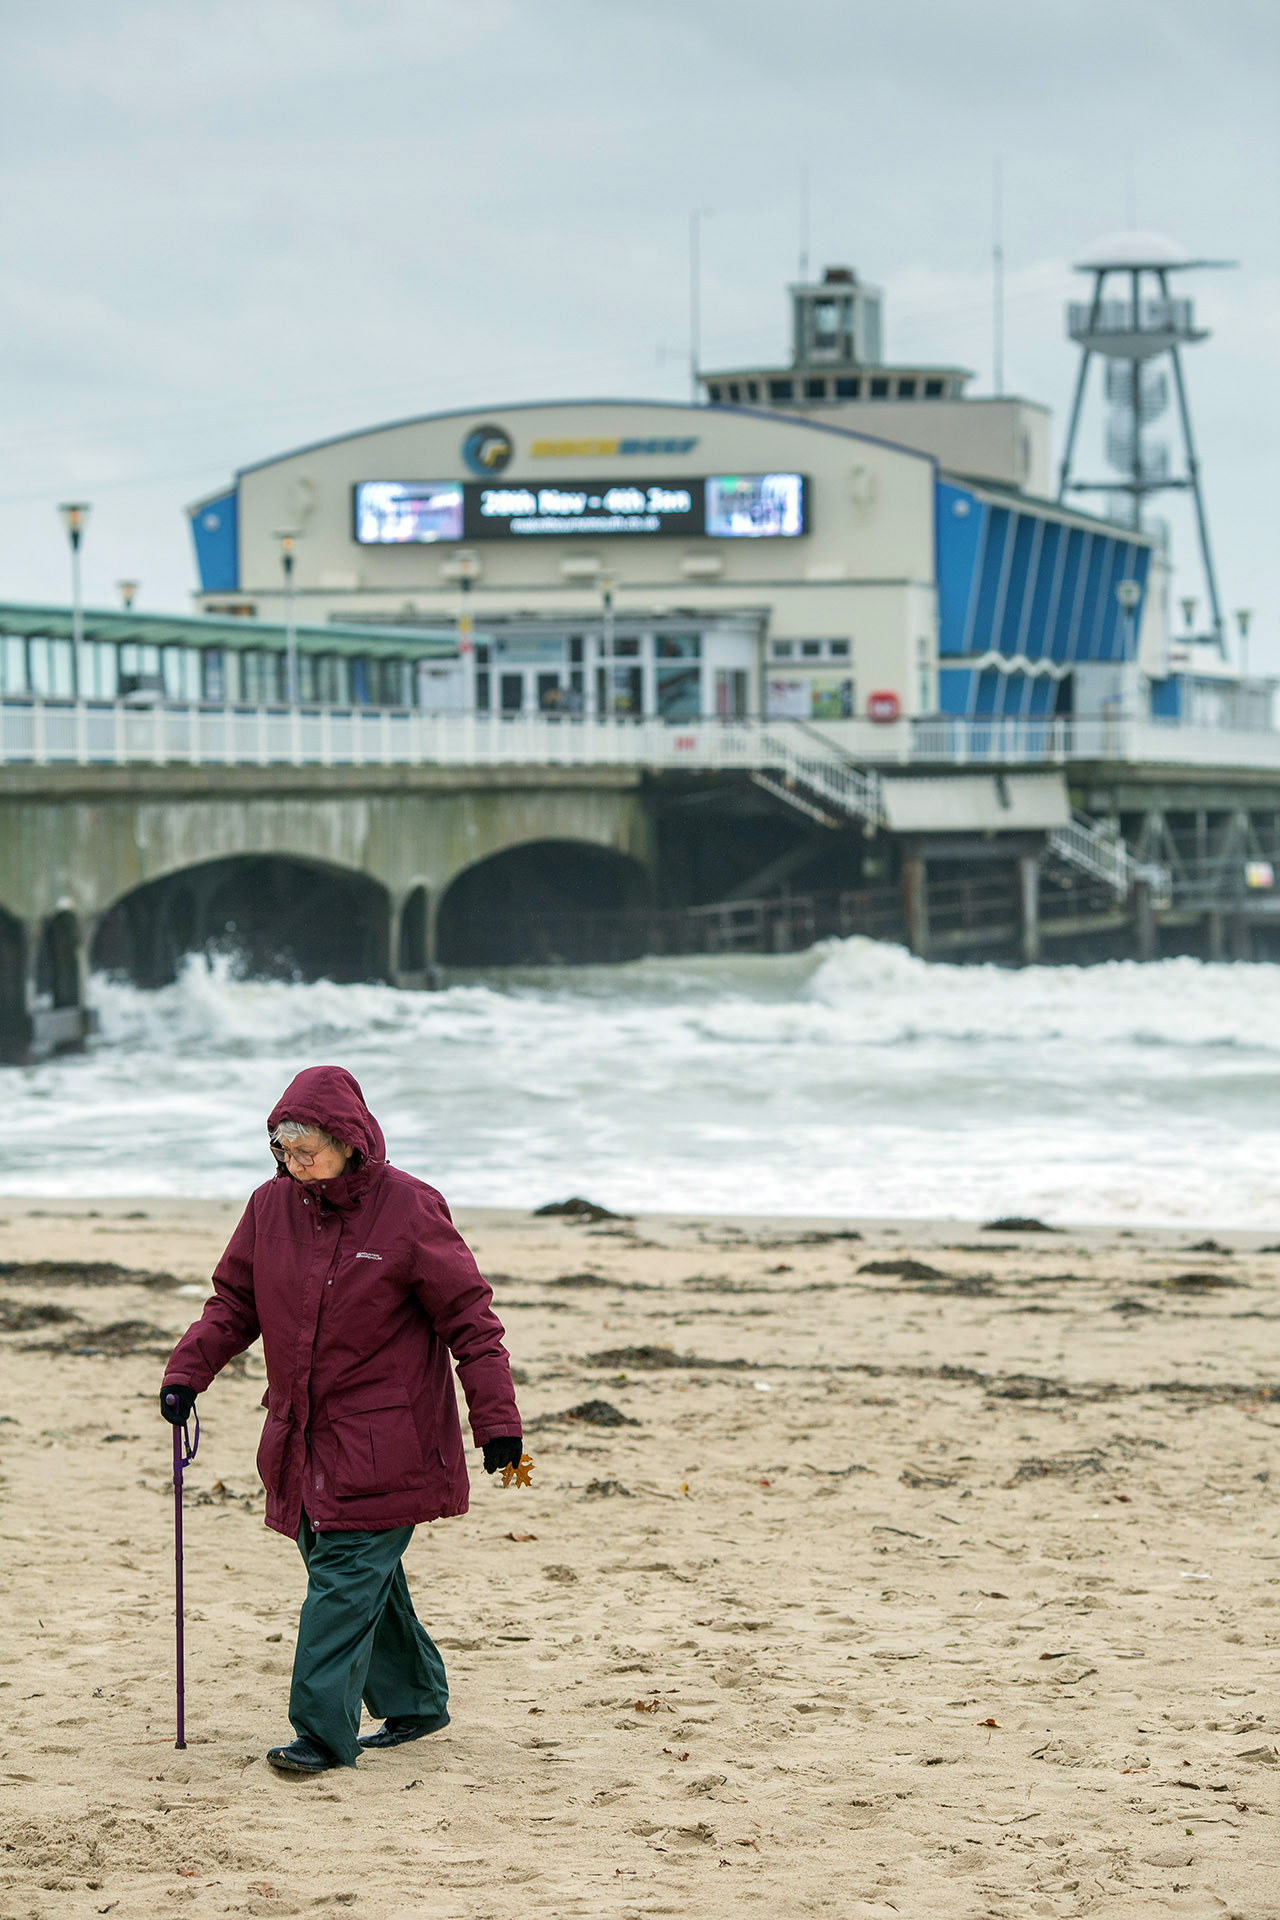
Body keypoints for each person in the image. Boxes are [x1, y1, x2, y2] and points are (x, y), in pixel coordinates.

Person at [158, 1064, 523, 1775]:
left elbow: (472, 1323)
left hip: (390, 1441)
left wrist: (498, 1426)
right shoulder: (269, 1209)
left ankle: (323, 1736)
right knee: (356, 1578)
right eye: (282, 1152)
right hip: (299, 1438)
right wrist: (186, 1372)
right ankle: (416, 1698)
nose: (294, 1167)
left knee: (343, 1580)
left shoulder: (411, 1208)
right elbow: (234, 1304)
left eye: (307, 1152)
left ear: (349, 1141)